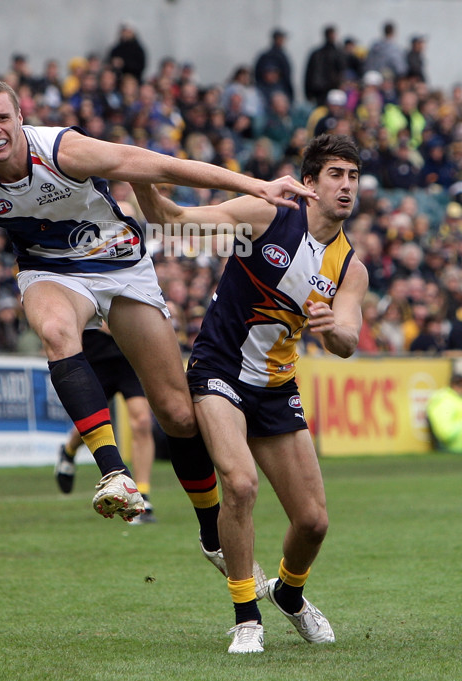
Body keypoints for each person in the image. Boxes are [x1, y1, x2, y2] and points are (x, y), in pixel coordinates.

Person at [0, 78, 316, 528]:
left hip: (120, 262)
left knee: (179, 416)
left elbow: (163, 166)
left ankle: (209, 529)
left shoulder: (65, 150)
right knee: (55, 331)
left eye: (2, 117)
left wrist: (256, 185)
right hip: (51, 272)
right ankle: (114, 473)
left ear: (20, 119)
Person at [133, 134, 368, 654]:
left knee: (313, 521)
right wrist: (141, 175)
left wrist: (332, 328)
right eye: (335, 174)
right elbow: (174, 220)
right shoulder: (266, 215)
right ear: (310, 183)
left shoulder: (351, 267)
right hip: (218, 369)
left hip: (276, 387)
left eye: (353, 176)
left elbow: (347, 340)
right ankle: (246, 616)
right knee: (239, 485)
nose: (346, 186)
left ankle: (289, 592)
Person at [55, 325, 158, 523]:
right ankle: (68, 451)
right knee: (91, 423)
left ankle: (143, 494)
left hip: (128, 356)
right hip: (97, 357)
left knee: (143, 421)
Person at [426, 359, 462, 452]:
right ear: (455, 385)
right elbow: (445, 433)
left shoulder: (456, 399)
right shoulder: (444, 401)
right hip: (454, 449)